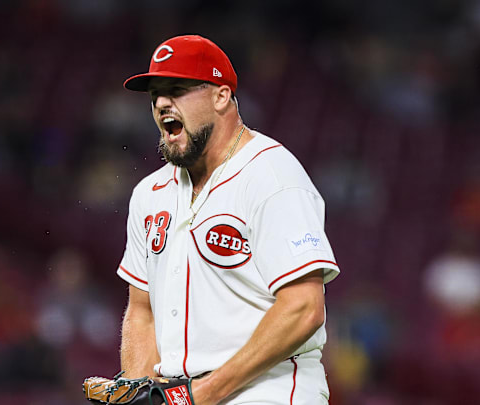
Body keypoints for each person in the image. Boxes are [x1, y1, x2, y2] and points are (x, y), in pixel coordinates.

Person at [115, 35, 341, 404]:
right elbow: (142, 311)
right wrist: (140, 393)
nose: (161, 103)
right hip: (183, 394)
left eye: (177, 89)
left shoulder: (272, 176)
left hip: (268, 390)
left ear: (221, 96)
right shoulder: (149, 194)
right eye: (155, 93)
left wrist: (203, 394)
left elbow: (303, 308)